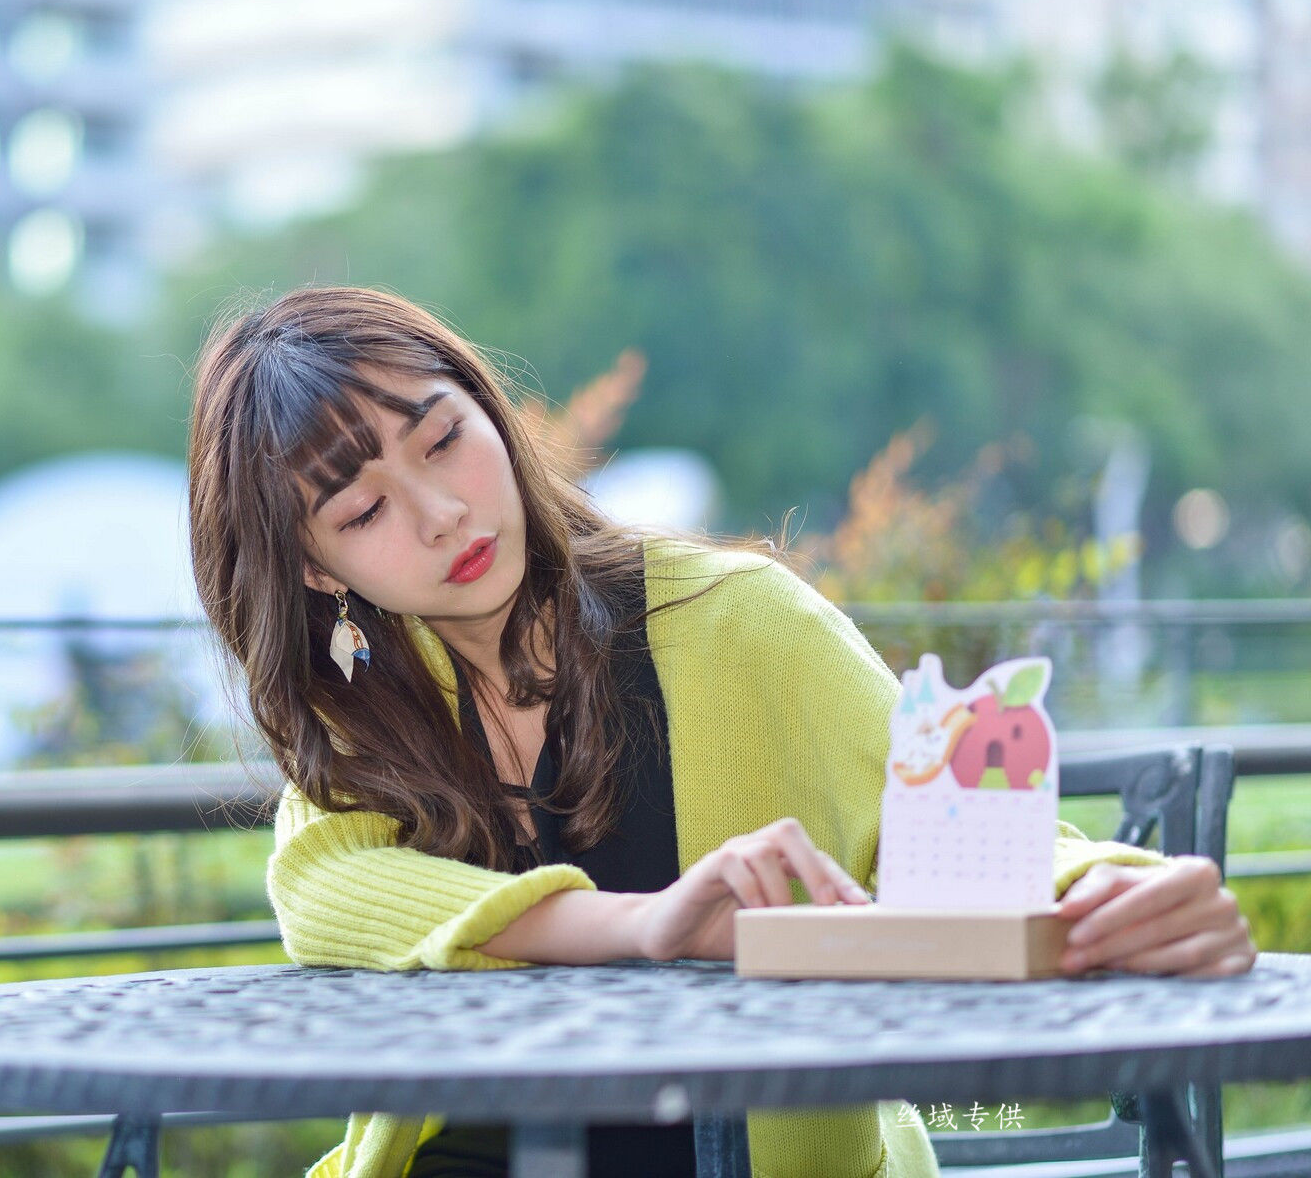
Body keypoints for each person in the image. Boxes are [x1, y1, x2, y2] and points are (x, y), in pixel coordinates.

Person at [184, 286, 1257, 1178]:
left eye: (442, 439)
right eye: (362, 512)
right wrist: (647, 923)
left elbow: (945, 811)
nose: (439, 513)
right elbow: (324, 890)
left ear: (488, 412)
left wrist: (1113, 889)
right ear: (319, 569)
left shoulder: (735, 622)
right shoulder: (370, 707)